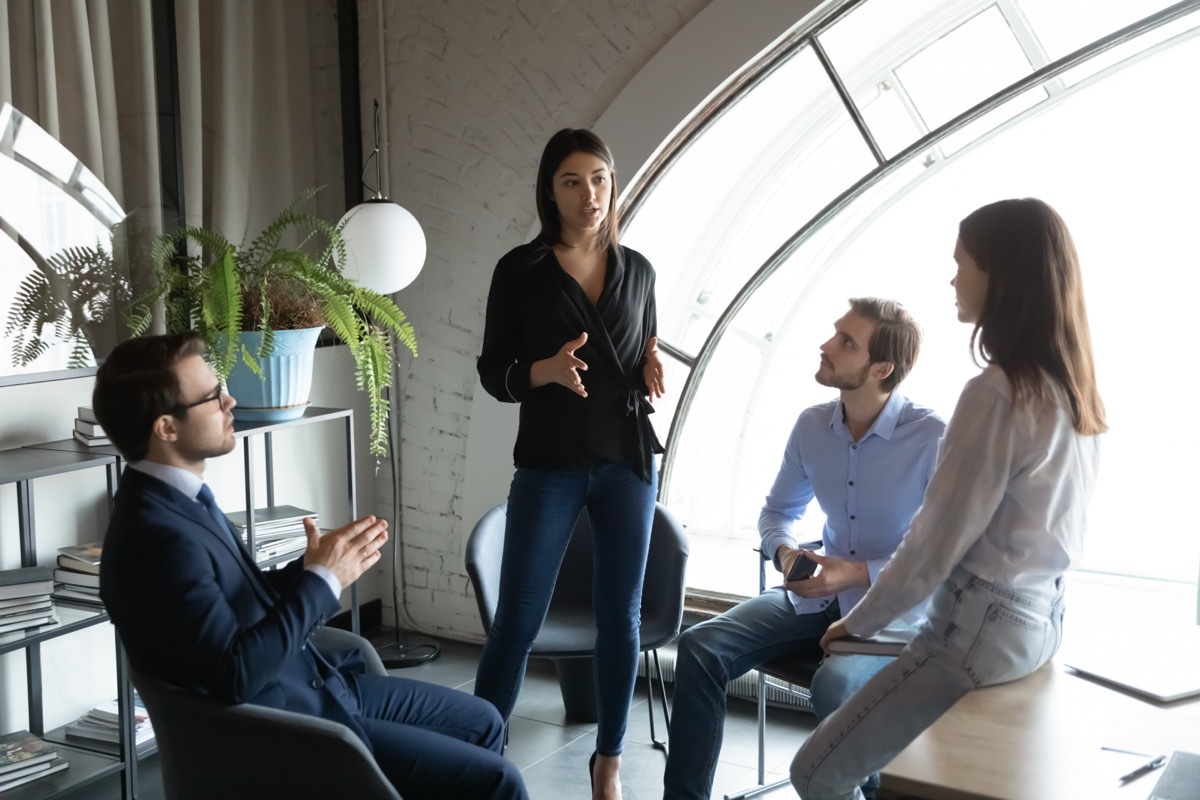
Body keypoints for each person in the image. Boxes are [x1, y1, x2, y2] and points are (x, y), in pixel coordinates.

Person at [95, 332, 528, 800]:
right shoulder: (155, 538)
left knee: (483, 720)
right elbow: (235, 673)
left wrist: (314, 565)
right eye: (211, 396)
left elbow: (236, 600)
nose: (229, 400)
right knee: (498, 781)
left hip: (313, 684)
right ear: (166, 428)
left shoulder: (179, 497)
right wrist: (324, 581)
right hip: (287, 729)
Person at [791, 198, 1106, 800]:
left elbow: (935, 543)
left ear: (1000, 275)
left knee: (816, 770)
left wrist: (857, 624)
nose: (953, 277)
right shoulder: (1071, 387)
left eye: (962, 263)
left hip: (979, 629)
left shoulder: (996, 391)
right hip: (1042, 622)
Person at [662, 298, 945, 800]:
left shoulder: (930, 438)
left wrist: (858, 574)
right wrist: (787, 555)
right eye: (835, 334)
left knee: (834, 684)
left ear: (882, 368)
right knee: (700, 646)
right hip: (815, 596)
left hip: (894, 616)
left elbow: (945, 554)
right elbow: (776, 514)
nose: (826, 345)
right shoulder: (812, 426)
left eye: (845, 342)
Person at [474, 127, 665, 800]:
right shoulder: (519, 271)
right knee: (517, 619)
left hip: (627, 463)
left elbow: (641, 347)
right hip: (551, 465)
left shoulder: (637, 268)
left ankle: (607, 764)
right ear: (549, 192)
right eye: (573, 182)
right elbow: (492, 373)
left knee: (623, 618)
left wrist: (649, 365)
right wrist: (543, 370)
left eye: (600, 180)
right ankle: (478, 758)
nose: (590, 195)